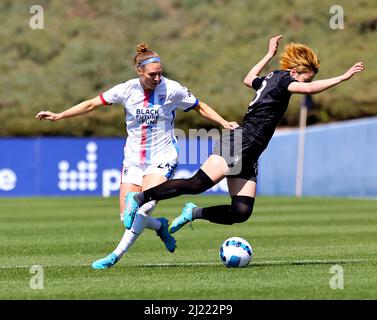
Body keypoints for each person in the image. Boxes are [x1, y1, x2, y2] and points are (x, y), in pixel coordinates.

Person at [123, 35, 365, 236]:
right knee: (197, 184)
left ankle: (193, 212)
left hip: (251, 149)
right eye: (305, 78)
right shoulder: (284, 81)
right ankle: (140, 197)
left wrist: (268, 55)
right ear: (294, 73)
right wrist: (343, 77)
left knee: (241, 211)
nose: (306, 84)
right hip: (240, 140)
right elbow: (310, 88)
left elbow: (248, 79)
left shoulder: (272, 78)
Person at [35, 42, 239, 269]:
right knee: (127, 218)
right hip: (133, 159)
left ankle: (114, 256)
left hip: (163, 156)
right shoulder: (126, 90)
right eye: (152, 74)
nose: (157, 78)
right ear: (139, 71)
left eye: (160, 73)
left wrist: (223, 122)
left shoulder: (172, 89)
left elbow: (199, 106)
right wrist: (59, 115)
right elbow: (92, 103)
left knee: (144, 206)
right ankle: (161, 226)